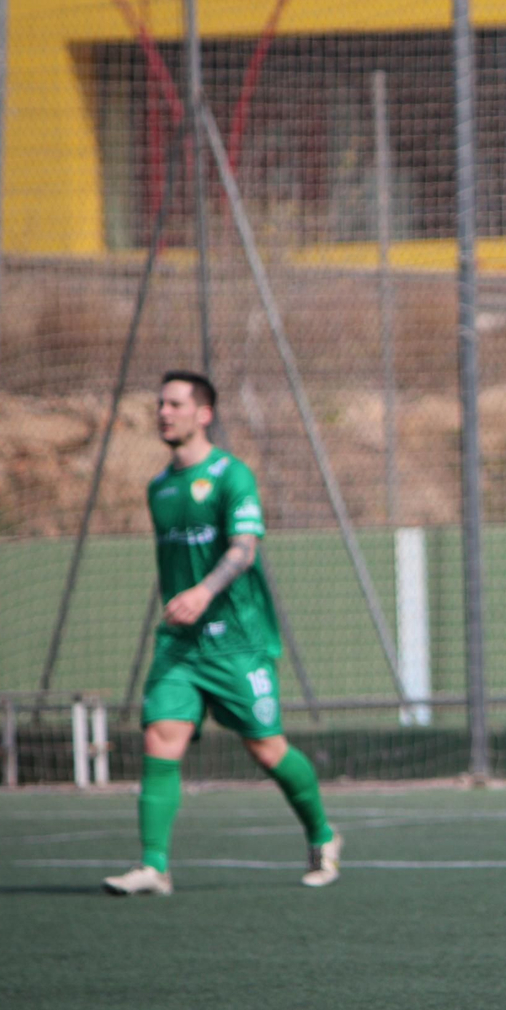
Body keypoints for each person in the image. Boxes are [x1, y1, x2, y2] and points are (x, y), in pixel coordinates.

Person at [103, 371, 341, 896]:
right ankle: (153, 866)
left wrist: (204, 593)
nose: (164, 412)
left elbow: (243, 550)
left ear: (204, 413)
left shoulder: (233, 477)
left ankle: (323, 836)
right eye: (160, 403)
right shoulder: (159, 488)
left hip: (236, 640)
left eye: (176, 404)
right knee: (161, 737)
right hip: (181, 646)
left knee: (266, 749)